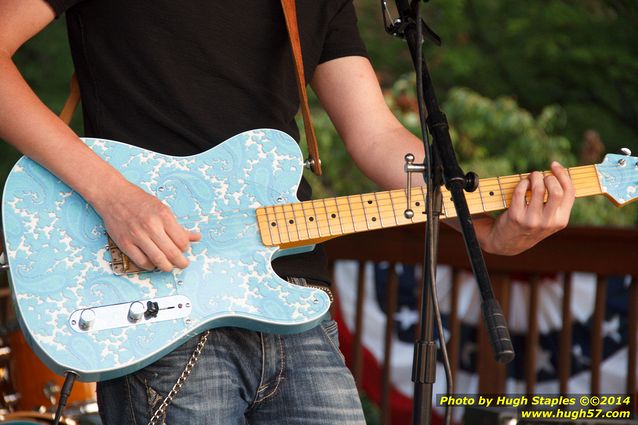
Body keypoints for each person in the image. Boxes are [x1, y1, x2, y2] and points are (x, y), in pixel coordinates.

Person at [0, 1, 575, 424]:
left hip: (290, 292)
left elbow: (376, 134)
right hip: (157, 291)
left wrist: (478, 227)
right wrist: (112, 193)